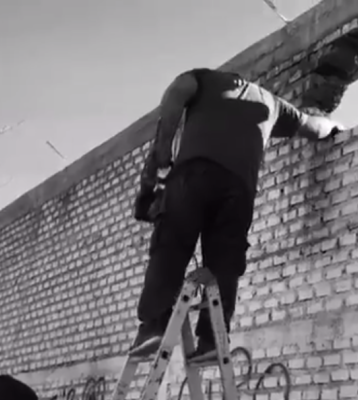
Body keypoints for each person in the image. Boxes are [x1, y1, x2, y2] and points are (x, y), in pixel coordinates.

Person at [129, 68, 345, 365]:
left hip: (193, 174)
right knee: (225, 263)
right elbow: (312, 126)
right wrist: (336, 127)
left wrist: (163, 150)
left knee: (171, 244)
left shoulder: (204, 78)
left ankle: (154, 327)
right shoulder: (272, 104)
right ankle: (212, 340)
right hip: (239, 188)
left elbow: (178, 90)